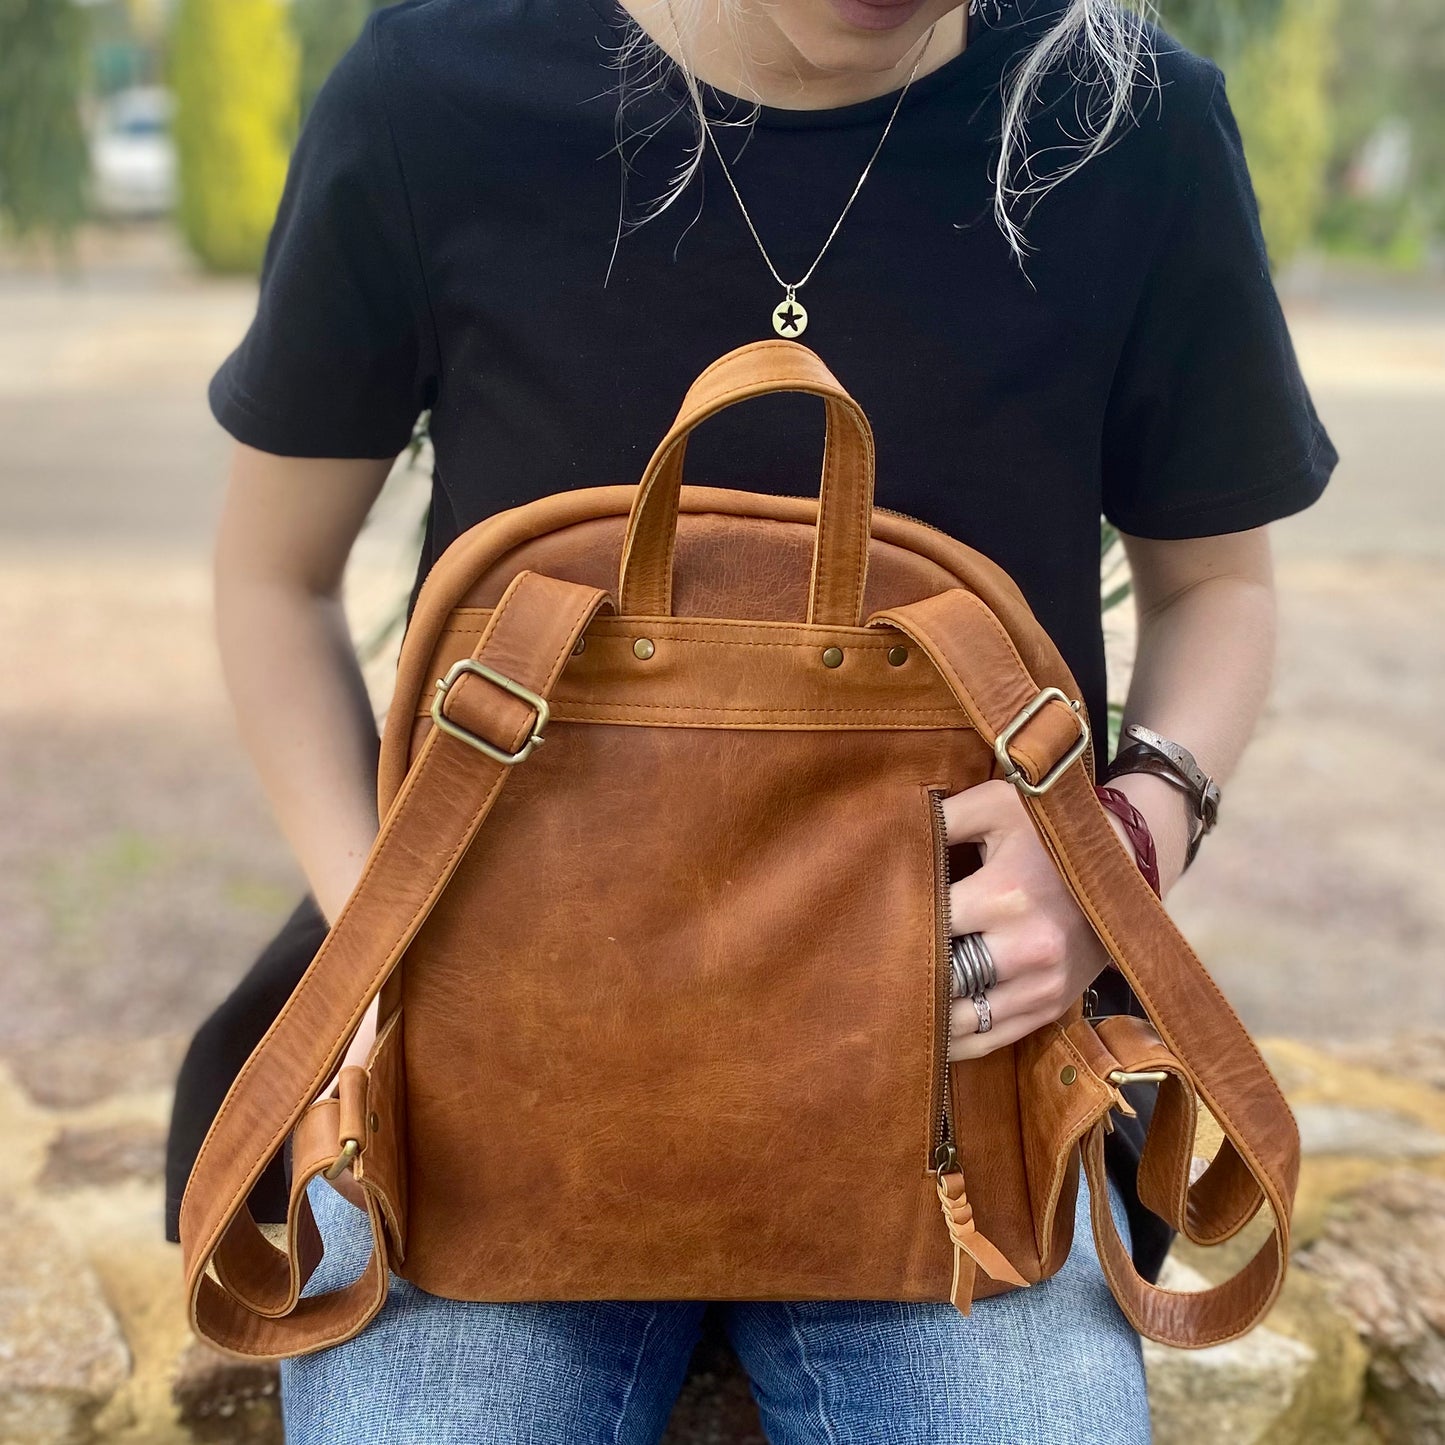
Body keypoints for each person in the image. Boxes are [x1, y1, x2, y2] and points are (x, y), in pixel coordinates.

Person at [166, 0, 1338, 1438]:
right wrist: (388, 947)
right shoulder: (434, 90)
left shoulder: (1129, 126)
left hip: (958, 1065)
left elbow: (1220, 583)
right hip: (482, 1056)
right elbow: (270, 581)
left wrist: (1119, 853)